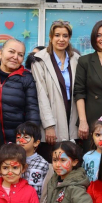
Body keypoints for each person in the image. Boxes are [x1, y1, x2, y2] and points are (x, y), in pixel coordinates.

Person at [0, 38, 41, 143]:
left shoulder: (27, 78)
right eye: (11, 52)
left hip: (15, 140)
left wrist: (30, 138)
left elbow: (32, 110)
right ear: (0, 53)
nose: (15, 57)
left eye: (20, 55)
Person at [32, 20, 80, 149]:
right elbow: (41, 94)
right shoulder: (39, 60)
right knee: (53, 157)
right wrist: (48, 125)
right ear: (50, 37)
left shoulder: (76, 58)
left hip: (73, 115)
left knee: (71, 156)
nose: (61, 39)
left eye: (65, 36)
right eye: (57, 35)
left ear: (69, 38)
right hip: (52, 117)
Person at [82, 116, 102, 182]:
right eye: (97, 135)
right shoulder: (87, 156)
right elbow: (82, 176)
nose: (101, 139)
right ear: (92, 136)